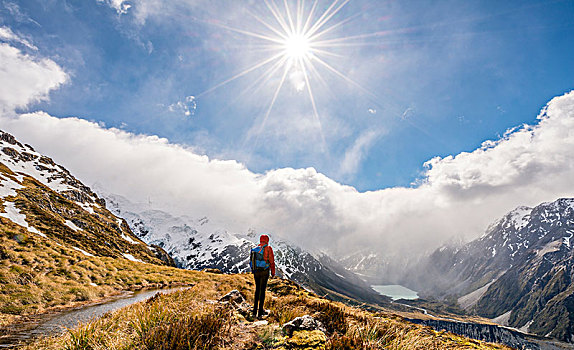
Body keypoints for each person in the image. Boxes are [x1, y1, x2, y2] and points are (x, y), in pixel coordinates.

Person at [250, 234, 275, 319]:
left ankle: (254, 311)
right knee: (262, 290)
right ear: (267, 240)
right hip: (264, 271)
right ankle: (260, 312)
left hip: (256, 271)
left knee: (257, 290)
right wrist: (273, 273)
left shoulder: (256, 249)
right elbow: (271, 261)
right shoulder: (268, 248)